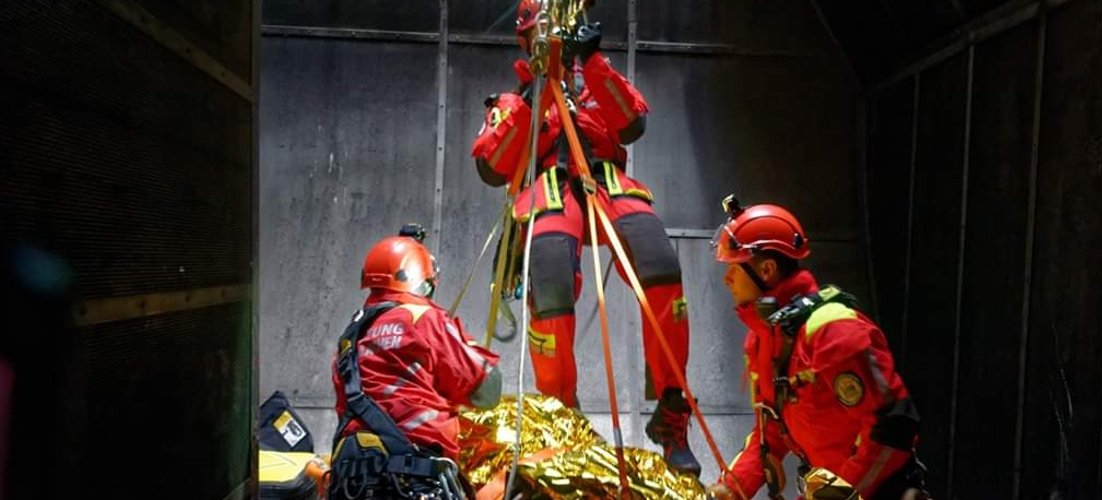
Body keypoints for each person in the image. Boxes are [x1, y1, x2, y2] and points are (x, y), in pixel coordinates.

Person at [468, 0, 700, 476]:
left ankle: (671, 413)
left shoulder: (595, 82)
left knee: (660, 263)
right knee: (550, 285)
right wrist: (536, 97)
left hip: (607, 184)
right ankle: (562, 414)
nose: (554, 40)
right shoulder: (514, 101)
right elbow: (492, 167)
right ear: (527, 40)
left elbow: (631, 125)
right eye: (545, 33)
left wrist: (591, 62)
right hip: (550, 192)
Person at [705, 197, 930, 500]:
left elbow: (893, 428)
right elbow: (771, 432)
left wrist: (842, 493)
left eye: (734, 267)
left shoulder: (834, 332)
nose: (726, 278)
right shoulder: (762, 341)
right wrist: (730, 490)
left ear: (767, 269)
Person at [328, 225, 502, 499]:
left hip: (351, 482)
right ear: (424, 280)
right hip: (412, 480)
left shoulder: (350, 337)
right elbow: (488, 391)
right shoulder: (425, 319)